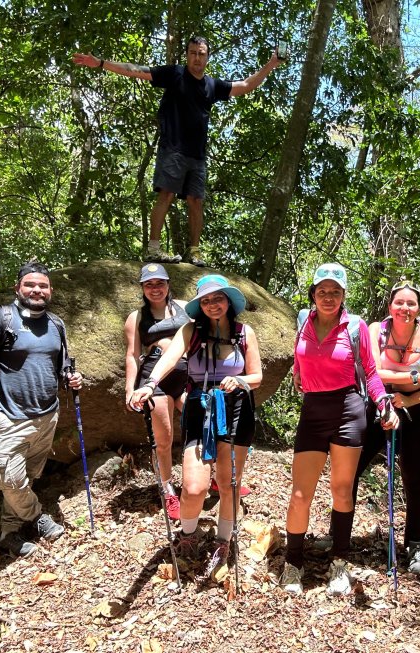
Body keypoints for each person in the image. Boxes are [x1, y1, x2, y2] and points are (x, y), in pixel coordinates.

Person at [72, 37, 281, 266]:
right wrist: (101, 63)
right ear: (187, 55)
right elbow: (136, 71)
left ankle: (194, 251)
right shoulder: (175, 74)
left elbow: (245, 86)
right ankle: (153, 248)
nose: (197, 58)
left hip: (197, 155)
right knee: (167, 194)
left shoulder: (212, 85)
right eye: (193, 53)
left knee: (196, 200)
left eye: (201, 54)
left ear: (207, 57)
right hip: (173, 148)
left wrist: (271, 64)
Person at [129, 274, 262, 582]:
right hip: (200, 408)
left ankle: (222, 540)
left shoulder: (244, 333)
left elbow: (256, 376)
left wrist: (241, 380)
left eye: (218, 299)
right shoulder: (191, 331)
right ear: (200, 305)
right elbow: (169, 357)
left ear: (228, 302)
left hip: (237, 408)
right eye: (206, 300)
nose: (213, 304)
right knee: (194, 487)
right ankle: (188, 534)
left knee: (229, 483)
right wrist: (149, 384)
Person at [281, 263, 400, 597]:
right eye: (322, 291)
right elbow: (299, 366)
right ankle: (293, 563)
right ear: (313, 294)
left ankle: (339, 564)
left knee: (342, 490)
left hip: (349, 409)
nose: (328, 297)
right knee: (300, 494)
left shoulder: (356, 326)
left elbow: (372, 373)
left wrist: (383, 404)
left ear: (344, 294)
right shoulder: (304, 321)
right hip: (313, 410)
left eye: (335, 291)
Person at [0, 261, 83, 557]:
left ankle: (9, 532)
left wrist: (70, 377)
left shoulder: (56, 324)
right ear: (18, 287)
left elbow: (62, 364)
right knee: (11, 479)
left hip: (46, 415)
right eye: (30, 284)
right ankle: (37, 517)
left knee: (26, 477)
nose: (37, 290)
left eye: (42, 285)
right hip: (8, 416)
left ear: (50, 290)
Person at [352, 278, 420, 574]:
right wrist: (415, 377)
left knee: (414, 477)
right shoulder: (375, 332)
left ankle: (416, 545)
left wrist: (409, 399)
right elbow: (371, 369)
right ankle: (339, 533)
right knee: (352, 468)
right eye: (399, 302)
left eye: (411, 303)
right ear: (390, 305)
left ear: (418, 307)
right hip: (378, 406)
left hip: (418, 412)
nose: (404, 308)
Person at [124, 263, 190, 520]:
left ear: (168, 284)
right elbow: (131, 355)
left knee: (205, 425)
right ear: (142, 288)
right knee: (164, 440)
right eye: (149, 284)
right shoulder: (137, 317)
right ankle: (168, 489)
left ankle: (215, 477)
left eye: (159, 283)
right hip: (155, 381)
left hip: (187, 377)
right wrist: (131, 390)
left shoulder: (185, 307)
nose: (155, 288)